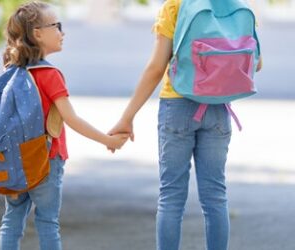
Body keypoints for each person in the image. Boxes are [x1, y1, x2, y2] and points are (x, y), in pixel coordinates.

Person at [108, 0, 262, 249]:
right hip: (218, 108)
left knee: (171, 198)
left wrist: (127, 116)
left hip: (178, 105)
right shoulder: (237, 6)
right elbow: (256, 62)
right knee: (215, 196)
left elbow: (156, 68)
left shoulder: (175, 6)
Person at [0, 2, 129, 250]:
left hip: (16, 159)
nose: (62, 32)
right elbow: (72, 119)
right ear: (37, 33)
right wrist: (108, 140)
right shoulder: (50, 75)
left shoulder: (12, 72)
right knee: (47, 221)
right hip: (48, 158)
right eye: (56, 26)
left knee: (12, 219)